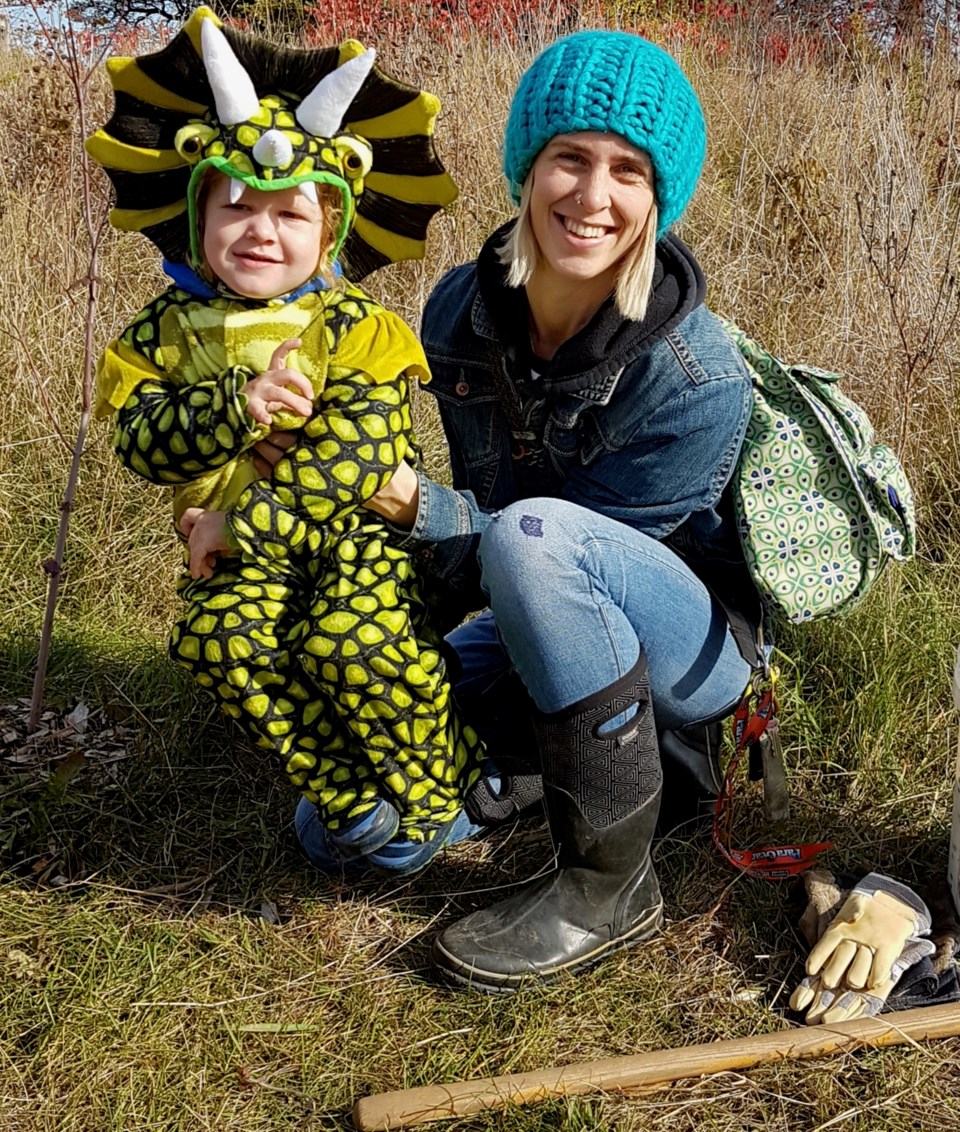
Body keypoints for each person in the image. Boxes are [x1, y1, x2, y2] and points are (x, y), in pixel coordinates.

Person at [363, 29, 764, 990]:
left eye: (629, 172)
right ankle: (547, 768)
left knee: (537, 535)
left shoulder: (697, 378)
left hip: (679, 647)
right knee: (358, 828)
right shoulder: (458, 310)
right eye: (571, 158)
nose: (593, 197)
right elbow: (486, 557)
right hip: (525, 601)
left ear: (658, 200)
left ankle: (608, 887)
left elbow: (556, 555)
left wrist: (421, 511)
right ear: (526, 168)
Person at [87, 8, 504, 875]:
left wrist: (235, 525)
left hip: (354, 541)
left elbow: (352, 456)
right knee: (221, 640)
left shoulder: (358, 324)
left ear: (331, 232)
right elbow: (142, 443)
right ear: (197, 219)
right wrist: (235, 407)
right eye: (236, 207)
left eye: (289, 214)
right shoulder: (161, 334)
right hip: (236, 555)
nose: (261, 230)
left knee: (349, 642)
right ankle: (350, 795)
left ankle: (445, 791)